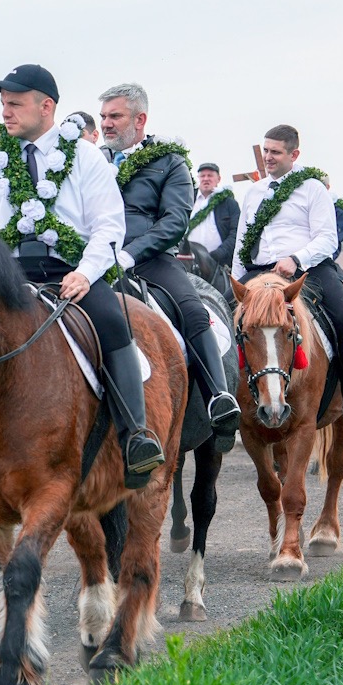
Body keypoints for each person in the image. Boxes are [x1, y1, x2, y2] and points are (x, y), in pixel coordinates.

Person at [0, 63, 165, 484]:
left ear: (45, 106)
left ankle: (135, 436)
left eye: (14, 104)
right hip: (8, 276)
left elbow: (109, 227)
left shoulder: (85, 158)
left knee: (111, 322)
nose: (6, 113)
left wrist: (86, 274)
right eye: (3, 105)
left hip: (71, 274)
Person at [98, 83, 239, 431]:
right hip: (93, 260)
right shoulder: (92, 160)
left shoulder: (170, 162)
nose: (106, 123)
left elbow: (175, 221)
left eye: (115, 116)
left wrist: (131, 254)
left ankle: (218, 396)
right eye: (102, 116)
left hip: (149, 260)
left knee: (192, 309)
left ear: (140, 118)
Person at [231, 124, 343, 434]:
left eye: (275, 152)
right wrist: (236, 282)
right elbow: (241, 243)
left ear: (294, 154)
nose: (268, 157)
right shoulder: (254, 193)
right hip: (259, 273)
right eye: (266, 150)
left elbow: (327, 240)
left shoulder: (312, 188)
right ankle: (225, 403)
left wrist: (296, 259)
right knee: (222, 326)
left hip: (307, 269)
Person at [186, 160, 240, 278]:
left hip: (219, 266)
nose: (206, 179)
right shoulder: (188, 200)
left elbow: (236, 233)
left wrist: (218, 254)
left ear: (218, 179)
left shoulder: (229, 203)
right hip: (188, 264)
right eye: (202, 176)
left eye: (210, 175)